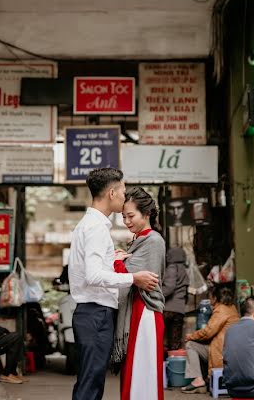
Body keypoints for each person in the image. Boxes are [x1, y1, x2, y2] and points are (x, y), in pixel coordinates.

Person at [69, 167, 160, 400]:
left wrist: (113, 260)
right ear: (112, 193)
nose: (124, 195)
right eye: (122, 190)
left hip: (92, 312)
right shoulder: (96, 227)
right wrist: (133, 277)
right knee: (90, 383)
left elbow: (95, 269)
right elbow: (93, 275)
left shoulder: (90, 225)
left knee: (92, 380)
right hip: (95, 313)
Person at [111, 187, 167, 400]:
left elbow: (135, 275)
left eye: (131, 215)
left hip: (145, 312)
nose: (126, 221)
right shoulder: (137, 241)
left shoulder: (153, 240)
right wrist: (122, 260)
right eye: (124, 216)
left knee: (143, 373)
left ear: (147, 213)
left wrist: (119, 260)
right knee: (135, 371)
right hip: (137, 311)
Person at [181, 286, 240, 394]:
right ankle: (203, 380)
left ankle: (198, 379)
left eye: (210, 297)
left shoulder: (221, 310)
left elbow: (208, 332)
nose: (209, 300)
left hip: (220, 353)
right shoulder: (232, 308)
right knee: (201, 345)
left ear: (215, 298)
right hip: (230, 352)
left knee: (191, 345)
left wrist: (191, 336)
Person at [162, 247, 189, 352]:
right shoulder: (184, 269)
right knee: (175, 342)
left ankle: (163, 365)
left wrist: (158, 295)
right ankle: (174, 365)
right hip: (179, 310)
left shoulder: (172, 268)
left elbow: (169, 287)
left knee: (163, 341)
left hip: (168, 309)